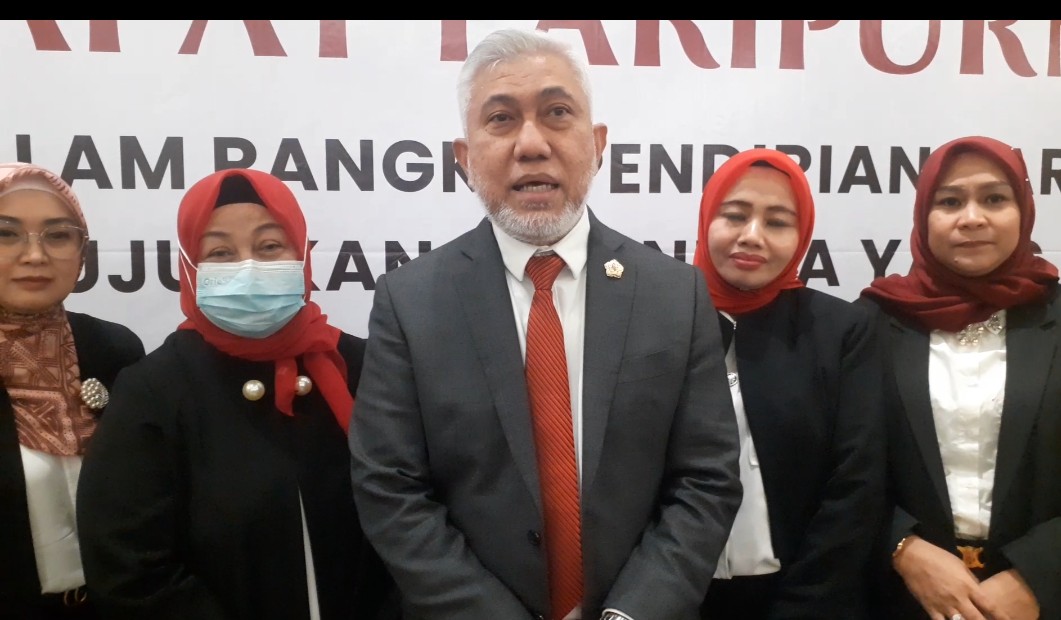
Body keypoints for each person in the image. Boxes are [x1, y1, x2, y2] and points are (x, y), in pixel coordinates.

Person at [348, 28, 742, 620]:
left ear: (597, 144)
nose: (531, 144)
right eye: (501, 119)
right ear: (464, 158)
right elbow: (390, 489)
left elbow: (705, 482)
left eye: (557, 113)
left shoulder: (674, 295)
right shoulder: (410, 302)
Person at [76, 169, 397, 620]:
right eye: (221, 253)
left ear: (302, 254)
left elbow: (411, 512)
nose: (248, 267)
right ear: (191, 268)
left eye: (270, 246)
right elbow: (128, 565)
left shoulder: (363, 367)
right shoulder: (154, 390)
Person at [861, 136, 1060, 620]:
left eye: (994, 198)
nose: (972, 218)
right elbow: (838, 467)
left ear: (1023, 211)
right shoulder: (872, 324)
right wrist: (902, 547)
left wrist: (1039, 574)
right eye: (950, 202)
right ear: (923, 216)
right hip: (901, 600)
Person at [692, 148, 885, 618]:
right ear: (706, 219)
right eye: (734, 215)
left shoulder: (840, 331)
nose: (752, 236)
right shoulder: (660, 321)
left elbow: (856, 484)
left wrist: (805, 604)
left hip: (805, 597)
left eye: (777, 222)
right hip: (674, 595)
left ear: (801, 237)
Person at [0, 162, 145, 619]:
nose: (35, 255)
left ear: (82, 252)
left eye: (58, 235)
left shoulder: (114, 348)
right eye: (6, 234)